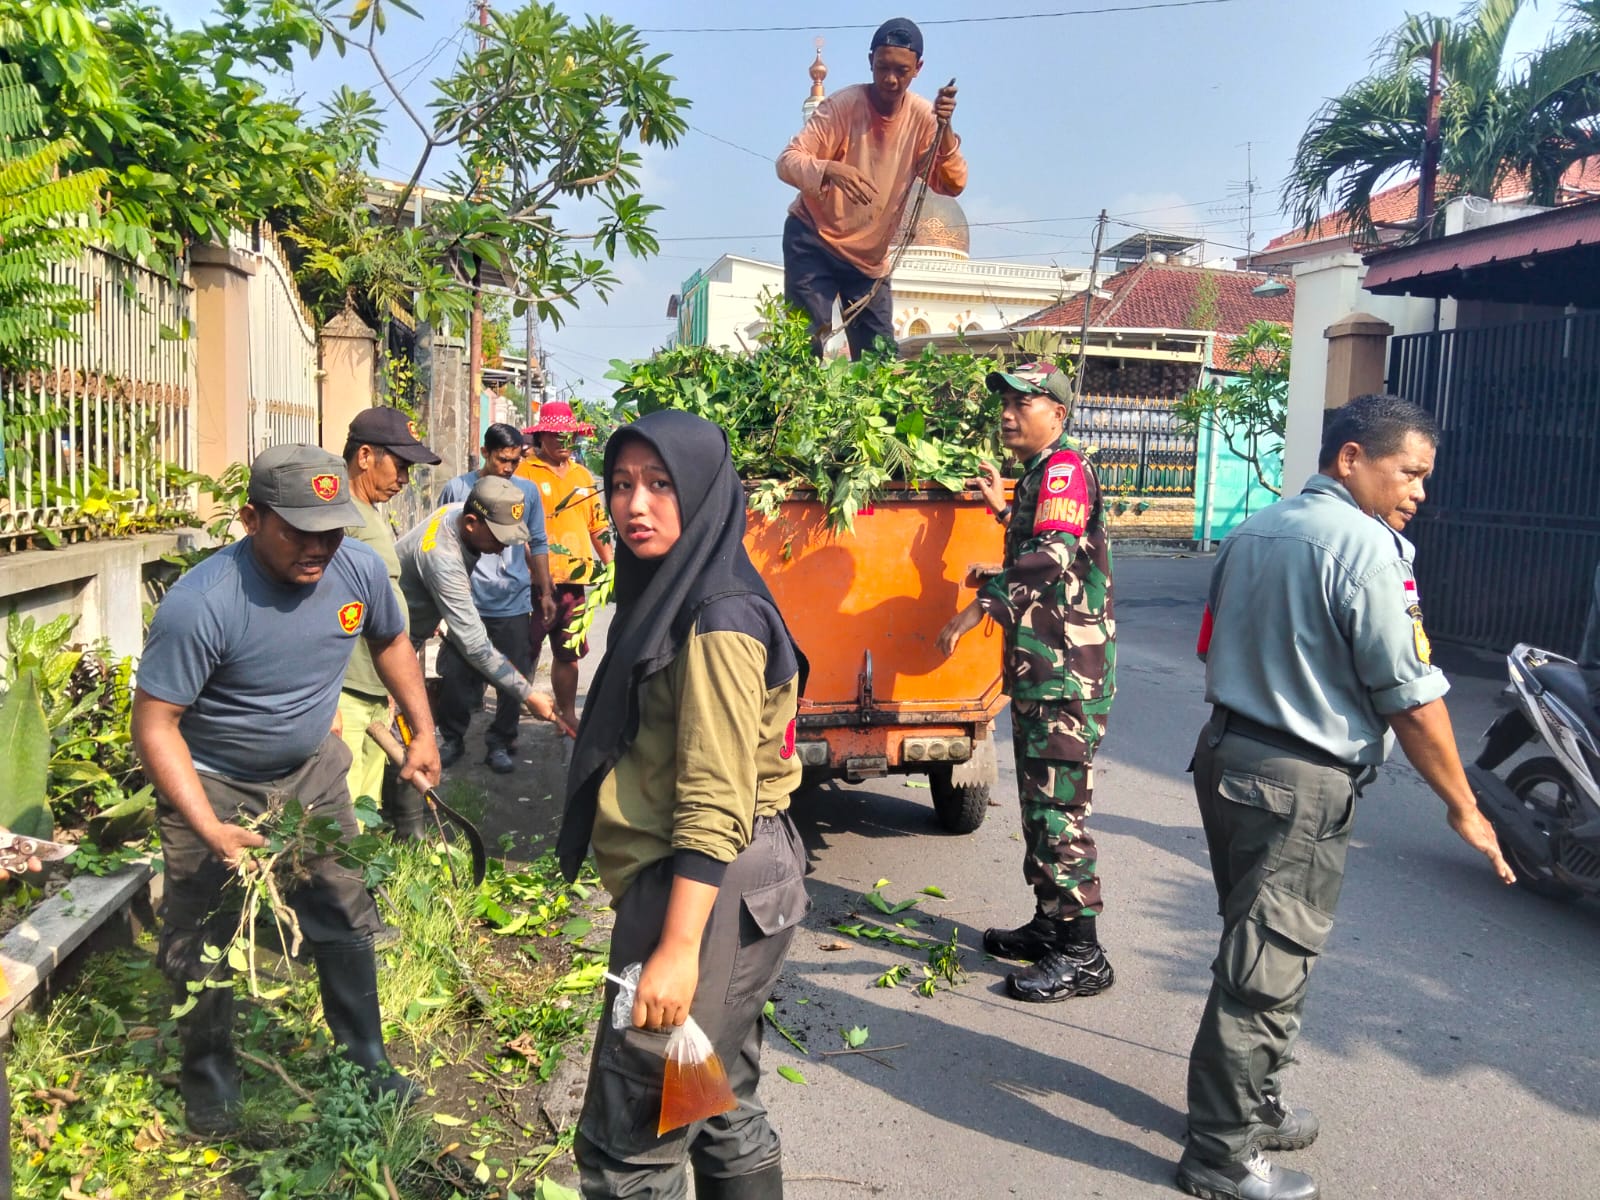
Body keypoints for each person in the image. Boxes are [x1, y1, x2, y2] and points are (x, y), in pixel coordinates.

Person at [1177, 394, 1515, 1200]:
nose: (1420, 492)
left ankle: (1252, 1102)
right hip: (1296, 779)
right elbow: (1413, 698)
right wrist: (1463, 805)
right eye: (1410, 472)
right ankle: (1220, 1154)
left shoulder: (1256, 528)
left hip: (1227, 755)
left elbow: (1210, 642)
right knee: (1267, 967)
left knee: (1255, 947)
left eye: (1425, 477)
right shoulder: (1368, 550)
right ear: (1352, 457)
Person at [130, 444, 442, 1137]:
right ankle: (209, 1078)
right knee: (202, 934)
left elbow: (391, 639)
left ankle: (367, 1061)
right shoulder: (203, 603)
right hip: (212, 780)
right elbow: (154, 724)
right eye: (298, 531)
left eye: (330, 530)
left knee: (344, 909)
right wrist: (207, 825)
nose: (318, 547)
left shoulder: (356, 567)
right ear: (251, 520)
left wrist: (422, 729)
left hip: (311, 773)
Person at [558, 411, 809, 1200]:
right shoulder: (682, 589)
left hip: (702, 883)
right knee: (713, 1099)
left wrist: (674, 949)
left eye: (661, 484)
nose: (635, 505)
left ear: (702, 492)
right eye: (622, 484)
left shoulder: (716, 617)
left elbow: (714, 798)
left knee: (633, 1141)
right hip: (723, 880)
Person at [938, 361, 1117, 1003]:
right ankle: (1051, 925)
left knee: (1059, 816)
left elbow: (1053, 555)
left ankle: (1083, 955)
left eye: (1024, 402)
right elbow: (1041, 542)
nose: (1008, 413)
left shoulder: (1065, 468)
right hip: (1043, 672)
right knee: (1039, 810)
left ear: (1058, 414)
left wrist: (977, 607)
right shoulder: (1041, 473)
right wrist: (1002, 508)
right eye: (1005, 402)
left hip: (1065, 675)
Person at [776, 16, 965, 359]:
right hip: (813, 240)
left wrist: (945, 127)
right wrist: (830, 169)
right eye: (882, 68)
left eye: (901, 71)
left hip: (868, 263)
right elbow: (787, 162)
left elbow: (954, 183)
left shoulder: (924, 118)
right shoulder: (843, 106)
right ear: (870, 62)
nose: (890, 79)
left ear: (917, 69)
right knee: (803, 348)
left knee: (879, 360)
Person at [396, 474, 570, 749]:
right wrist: (528, 695)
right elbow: (476, 646)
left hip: (403, 632)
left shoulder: (454, 511)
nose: (505, 546)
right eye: (499, 537)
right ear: (471, 523)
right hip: (388, 645)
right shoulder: (443, 559)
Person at [337, 406, 442, 831]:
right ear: (365, 456)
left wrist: (391, 688)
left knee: (361, 814)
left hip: (373, 688)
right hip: (345, 693)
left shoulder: (366, 512)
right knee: (339, 817)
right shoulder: (338, 517)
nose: (404, 480)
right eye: (399, 466)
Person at [436, 423, 556, 773]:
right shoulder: (458, 489)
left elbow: (538, 541)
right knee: (455, 677)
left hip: (512, 601)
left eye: (515, 461)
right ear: (485, 452)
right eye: (502, 459)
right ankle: (452, 738)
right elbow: (441, 539)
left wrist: (545, 591)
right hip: (465, 600)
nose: (508, 468)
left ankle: (501, 741)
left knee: (513, 678)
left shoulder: (527, 492)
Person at [517, 401, 614, 730]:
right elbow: (516, 529)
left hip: (574, 582)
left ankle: (567, 713)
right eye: (557, 435)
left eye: (568, 436)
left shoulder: (582, 475)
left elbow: (597, 525)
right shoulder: (525, 473)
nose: (564, 441)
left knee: (568, 653)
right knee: (523, 651)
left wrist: (612, 567)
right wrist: (538, 574)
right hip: (530, 583)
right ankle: (510, 720)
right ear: (542, 436)